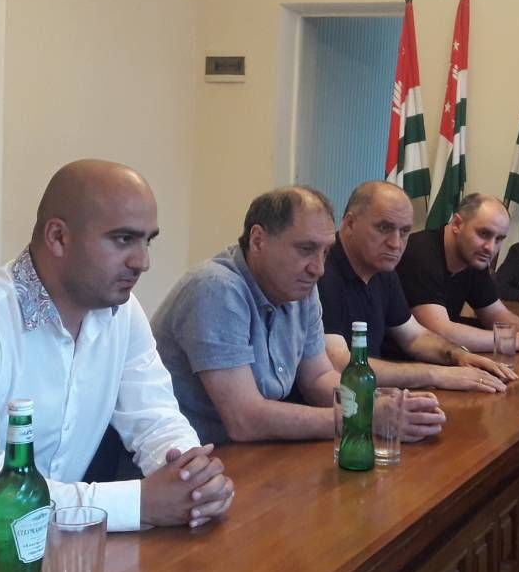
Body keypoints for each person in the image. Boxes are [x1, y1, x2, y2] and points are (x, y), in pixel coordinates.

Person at [0, 160, 234, 567]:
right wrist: (142, 502)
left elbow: (156, 421)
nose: (142, 261)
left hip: (39, 547)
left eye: (147, 241)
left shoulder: (121, 313)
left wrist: (193, 480)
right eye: (123, 239)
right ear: (58, 237)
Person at [152, 186, 447, 444]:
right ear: (258, 240)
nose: (318, 268)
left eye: (325, 252)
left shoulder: (301, 289)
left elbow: (318, 378)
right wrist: (363, 418)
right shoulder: (216, 289)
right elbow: (245, 420)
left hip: (249, 454)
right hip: (183, 463)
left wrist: (380, 405)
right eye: (306, 249)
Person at [320, 181, 518, 393]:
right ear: (350, 223)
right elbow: (339, 363)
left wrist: (460, 356)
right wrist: (436, 374)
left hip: (370, 394)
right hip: (332, 403)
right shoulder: (322, 270)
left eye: (404, 231)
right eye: (384, 228)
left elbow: (415, 337)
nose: (396, 244)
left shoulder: (383, 268)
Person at [394, 193, 519, 355]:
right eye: (484, 233)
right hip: (397, 364)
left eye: (499, 239)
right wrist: (516, 340)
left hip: (442, 360)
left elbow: (495, 315)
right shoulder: (420, 253)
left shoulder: (474, 257)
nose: (491, 248)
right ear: (457, 224)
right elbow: (438, 332)